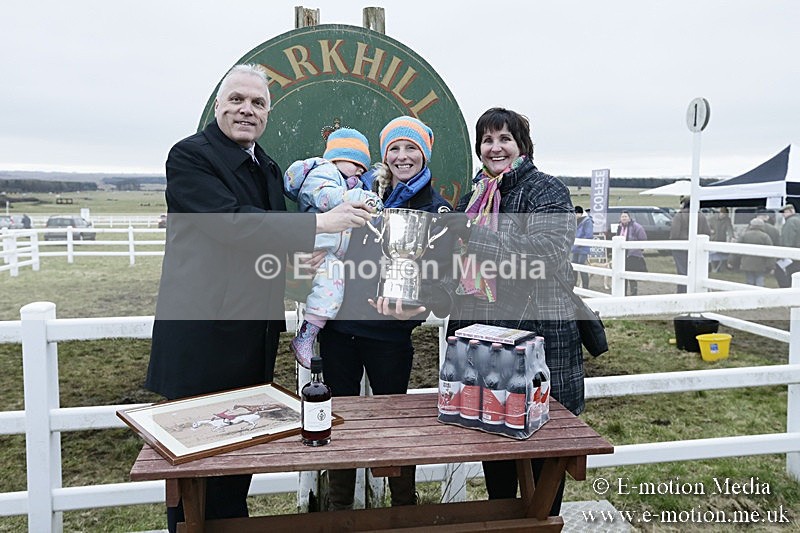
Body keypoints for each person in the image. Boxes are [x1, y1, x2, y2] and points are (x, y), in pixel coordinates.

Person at [144, 64, 371, 532]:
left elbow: (258, 248)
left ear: (267, 112)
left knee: (236, 473)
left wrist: (291, 272)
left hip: (253, 340)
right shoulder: (189, 157)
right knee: (194, 478)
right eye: (237, 100)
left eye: (258, 103)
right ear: (218, 105)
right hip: (201, 341)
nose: (247, 109)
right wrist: (320, 225)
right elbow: (230, 223)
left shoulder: (264, 165)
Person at [441, 107, 583, 515]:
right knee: (494, 451)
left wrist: (474, 233)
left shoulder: (545, 190)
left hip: (536, 340)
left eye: (505, 138)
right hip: (484, 346)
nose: (495, 147)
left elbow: (545, 255)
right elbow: (465, 269)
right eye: (487, 140)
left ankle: (541, 523)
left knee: (542, 457)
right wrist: (439, 291)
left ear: (522, 146)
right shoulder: (476, 196)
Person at [318, 116, 452, 510]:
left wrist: (415, 302)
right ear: (384, 154)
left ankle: (403, 508)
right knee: (336, 419)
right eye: (394, 148)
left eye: (411, 148)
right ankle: (338, 507)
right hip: (340, 328)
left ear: (424, 153)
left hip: (390, 334)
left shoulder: (435, 208)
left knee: (396, 425)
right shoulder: (360, 193)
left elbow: (441, 273)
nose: (402, 156)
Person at [283, 128, 384, 367]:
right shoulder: (324, 171)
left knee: (331, 293)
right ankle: (305, 337)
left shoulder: (346, 182)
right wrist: (358, 196)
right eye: (356, 162)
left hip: (332, 253)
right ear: (338, 156)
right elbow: (323, 196)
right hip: (318, 243)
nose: (361, 170)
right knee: (329, 291)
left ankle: (307, 335)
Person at [669, 197, 711, 293]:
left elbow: (674, 233)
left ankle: (682, 292)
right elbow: (707, 232)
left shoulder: (679, 216)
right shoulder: (701, 216)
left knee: (682, 272)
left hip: (681, 248)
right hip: (697, 248)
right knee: (697, 271)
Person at [728, 218, 773, 286]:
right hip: (760, 264)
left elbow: (736, 248)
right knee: (760, 280)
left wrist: (730, 261)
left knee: (750, 280)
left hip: (747, 263)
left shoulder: (744, 235)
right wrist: (771, 266)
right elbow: (770, 252)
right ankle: (760, 295)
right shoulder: (765, 236)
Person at [616, 210, 648, 296]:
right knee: (622, 274)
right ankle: (623, 293)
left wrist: (638, 249)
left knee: (631, 275)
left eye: (625, 217)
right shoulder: (619, 227)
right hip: (622, 255)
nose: (624, 218)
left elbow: (643, 239)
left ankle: (633, 293)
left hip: (632, 254)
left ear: (629, 218)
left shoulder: (637, 227)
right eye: (622, 217)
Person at [776, 203, 800, 287]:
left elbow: (787, 240)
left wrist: (783, 254)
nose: (783, 214)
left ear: (791, 211)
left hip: (792, 255)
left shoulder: (790, 222)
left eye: (784, 212)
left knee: (785, 275)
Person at [571, 206, 593, 288]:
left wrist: (580, 243)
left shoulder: (587, 221)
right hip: (576, 247)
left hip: (583, 247)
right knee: (573, 265)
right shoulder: (577, 221)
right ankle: (574, 284)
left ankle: (585, 286)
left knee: (581, 265)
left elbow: (589, 235)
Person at [708, 207, 734, 272]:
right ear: (720, 212)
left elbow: (729, 229)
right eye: (723, 214)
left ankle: (720, 268)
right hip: (713, 239)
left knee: (721, 255)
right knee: (712, 255)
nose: (724, 216)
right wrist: (710, 231)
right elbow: (708, 226)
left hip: (722, 239)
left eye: (725, 215)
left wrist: (731, 236)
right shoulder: (712, 219)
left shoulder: (727, 220)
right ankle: (713, 268)